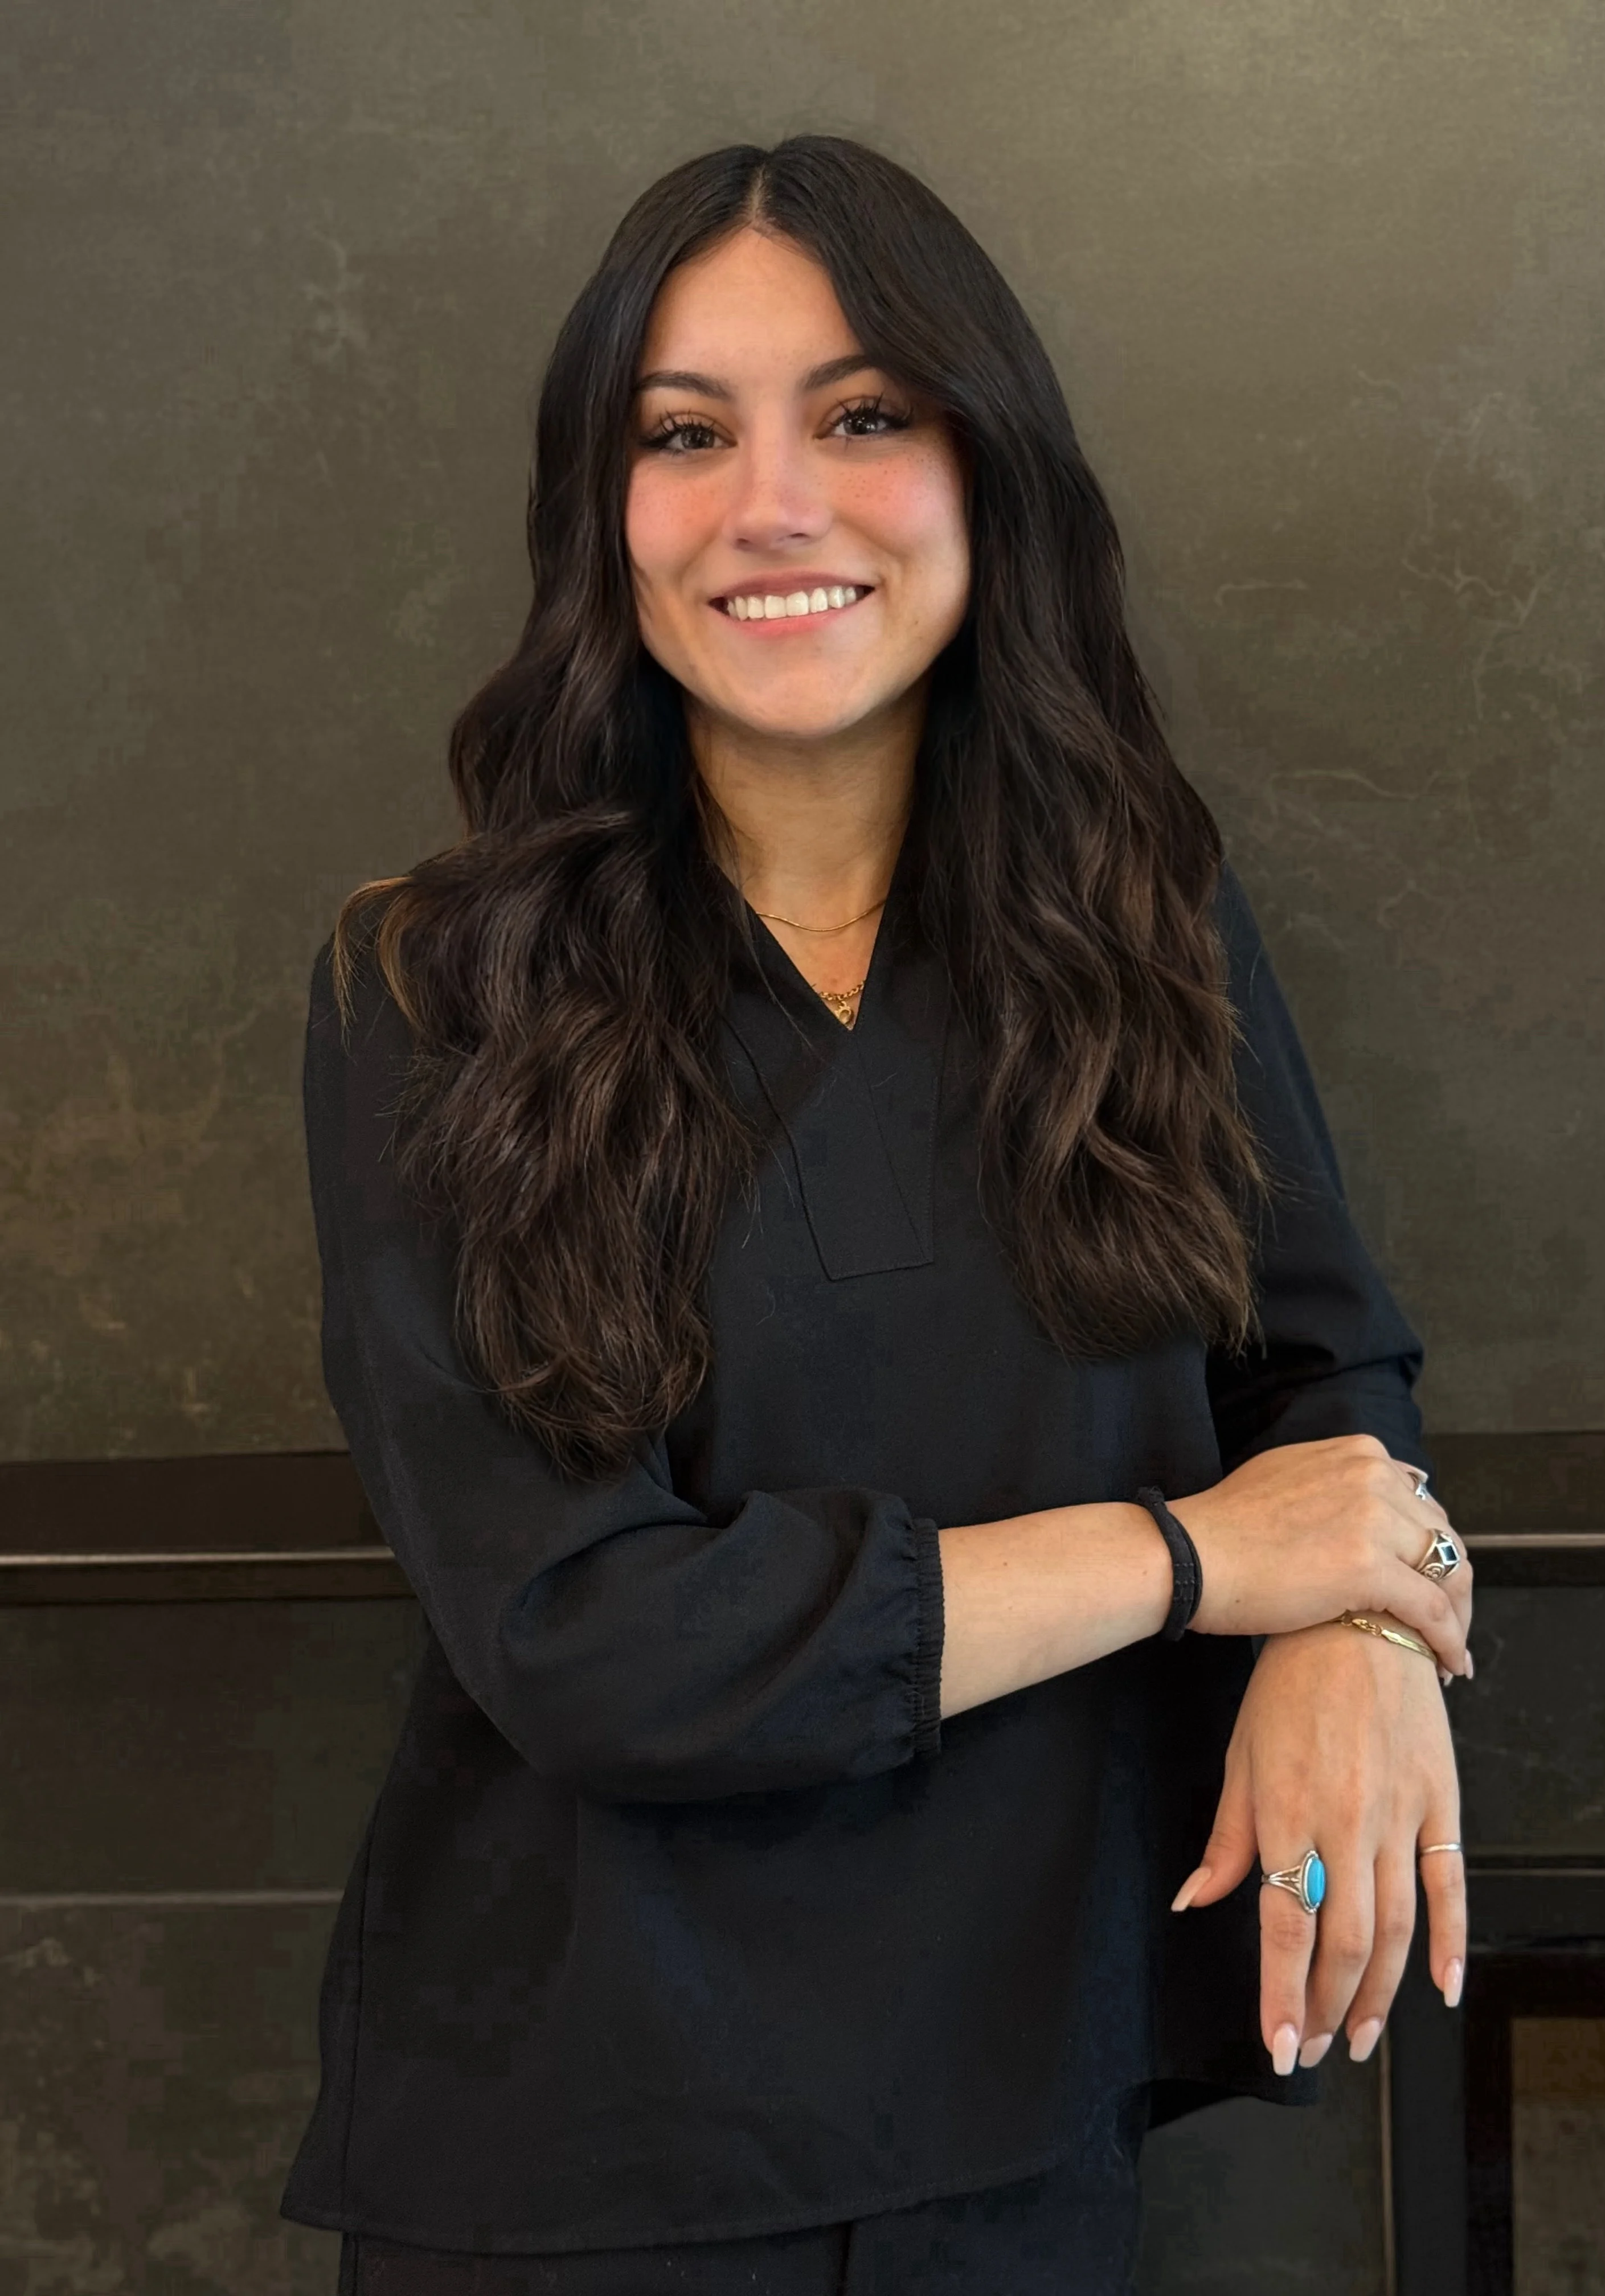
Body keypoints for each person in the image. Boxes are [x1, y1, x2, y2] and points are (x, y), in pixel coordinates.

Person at [281, 134, 1473, 2296]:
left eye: (861, 415)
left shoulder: (1143, 920)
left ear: (984, 465)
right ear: (601, 508)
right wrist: (1207, 1561)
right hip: (588, 2158)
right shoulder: (429, 993)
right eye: (683, 432)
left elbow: (1327, 1363)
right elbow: (595, 1646)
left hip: (1031, 2121)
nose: (774, 504)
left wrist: (1363, 1627)